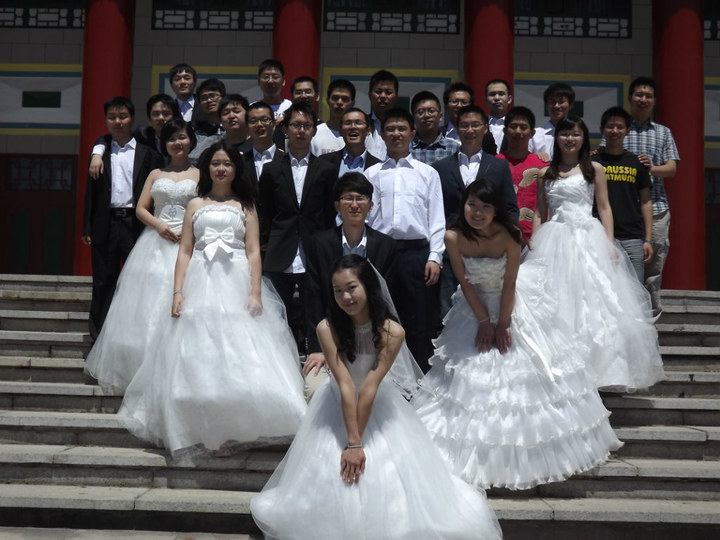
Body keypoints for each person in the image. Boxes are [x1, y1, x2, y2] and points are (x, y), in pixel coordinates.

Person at [250, 255, 502, 540]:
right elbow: (346, 384)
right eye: (338, 291)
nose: (345, 297)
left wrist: (356, 445)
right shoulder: (327, 328)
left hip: (378, 405)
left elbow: (369, 385)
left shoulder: (392, 332)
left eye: (351, 288)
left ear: (368, 287)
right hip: (336, 404)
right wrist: (352, 443)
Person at [412, 179, 622, 490]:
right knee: (468, 375)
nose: (477, 212)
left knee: (519, 370)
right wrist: (484, 321)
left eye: (485, 207)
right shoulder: (453, 236)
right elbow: (464, 282)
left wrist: (503, 323)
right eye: (472, 205)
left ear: (496, 210)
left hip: (511, 304)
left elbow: (510, 283)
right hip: (474, 305)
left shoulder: (509, 234)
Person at [117, 140, 306, 456]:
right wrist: (178, 292)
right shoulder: (195, 204)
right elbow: (185, 251)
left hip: (236, 278)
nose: (221, 169)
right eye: (216, 163)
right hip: (200, 278)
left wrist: (255, 292)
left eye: (227, 164)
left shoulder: (246, 205)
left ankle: (234, 428)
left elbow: (253, 251)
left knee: (239, 353)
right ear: (207, 168)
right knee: (199, 353)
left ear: (235, 169)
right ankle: (201, 429)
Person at [530, 115, 665, 391]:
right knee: (557, 302)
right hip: (554, 238)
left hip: (587, 237)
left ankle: (598, 371)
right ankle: (559, 369)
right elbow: (540, 211)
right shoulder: (546, 172)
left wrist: (609, 242)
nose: (570, 139)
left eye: (575, 134)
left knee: (595, 301)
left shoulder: (594, 169)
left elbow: (604, 208)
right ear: (557, 138)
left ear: (584, 138)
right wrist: (533, 240)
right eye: (565, 134)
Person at [85, 119, 199, 392]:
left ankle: (180, 366)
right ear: (164, 144)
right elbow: (140, 208)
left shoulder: (201, 173)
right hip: (155, 242)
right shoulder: (156, 173)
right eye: (171, 139)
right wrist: (159, 225)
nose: (177, 143)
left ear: (191, 140)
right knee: (149, 303)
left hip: (188, 243)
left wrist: (190, 231)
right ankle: (144, 366)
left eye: (182, 137)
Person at [364, 107, 445, 371]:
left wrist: (435, 256)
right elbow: (365, 218)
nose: (396, 134)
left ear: (412, 133)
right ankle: (383, 375)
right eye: (390, 129)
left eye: (402, 129)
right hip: (381, 253)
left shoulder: (427, 173)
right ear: (382, 134)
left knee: (418, 318)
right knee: (380, 316)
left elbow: (437, 218)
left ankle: (420, 376)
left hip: (416, 255)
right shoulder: (371, 174)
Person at [304, 173, 397, 399]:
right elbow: (314, 296)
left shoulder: (386, 246)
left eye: (360, 198)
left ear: (371, 206)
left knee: (381, 393)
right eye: (348, 198)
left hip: (373, 340)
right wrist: (319, 348)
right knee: (315, 390)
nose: (354, 205)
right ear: (337, 205)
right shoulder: (319, 243)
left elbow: (386, 300)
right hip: (331, 338)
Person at [82, 96, 164, 339]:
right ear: (106, 120)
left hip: (135, 224)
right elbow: (91, 193)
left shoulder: (149, 155)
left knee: (137, 281)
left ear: (132, 119)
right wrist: (87, 226)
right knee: (103, 282)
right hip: (105, 224)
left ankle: (132, 336)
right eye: (112, 117)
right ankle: (98, 339)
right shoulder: (100, 153)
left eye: (122, 117)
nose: (117, 122)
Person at [259, 103, 337, 354]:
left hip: (313, 249)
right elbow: (266, 210)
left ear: (314, 130)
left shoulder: (326, 169)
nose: (301, 131)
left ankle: (316, 358)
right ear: (285, 129)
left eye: (306, 126)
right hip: (280, 249)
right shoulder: (271, 169)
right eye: (295, 125)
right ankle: (277, 359)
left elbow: (329, 211)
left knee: (315, 311)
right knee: (276, 312)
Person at [434, 104, 517, 317]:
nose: (470, 130)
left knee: (490, 311)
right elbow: (435, 211)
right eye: (464, 125)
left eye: (475, 125)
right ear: (457, 128)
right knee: (449, 314)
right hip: (452, 252)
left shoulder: (499, 166)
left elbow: (510, 208)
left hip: (489, 256)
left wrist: (499, 241)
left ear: (485, 128)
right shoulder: (441, 168)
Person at [624, 76, 680, 315]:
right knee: (623, 264)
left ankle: (652, 316)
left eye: (648, 96)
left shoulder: (663, 132)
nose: (643, 99)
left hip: (656, 209)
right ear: (630, 98)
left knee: (653, 267)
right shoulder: (619, 128)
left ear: (655, 100)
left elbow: (672, 168)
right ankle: (628, 314)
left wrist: (649, 168)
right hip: (625, 210)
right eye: (639, 95)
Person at [593, 106, 653, 282]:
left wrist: (648, 239)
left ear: (627, 131)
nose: (614, 131)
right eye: (610, 126)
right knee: (602, 287)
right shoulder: (592, 162)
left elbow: (646, 202)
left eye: (620, 127)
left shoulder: (638, 162)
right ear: (602, 130)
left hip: (632, 237)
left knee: (635, 287)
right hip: (599, 235)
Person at [88, 94, 179, 179]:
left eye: (166, 114)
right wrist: (97, 154)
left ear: (174, 116)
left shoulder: (182, 138)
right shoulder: (143, 134)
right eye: (155, 114)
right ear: (149, 118)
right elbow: (109, 138)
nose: (160, 118)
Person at [496, 105, 548, 243]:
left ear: (532, 133)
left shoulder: (543, 166)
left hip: (534, 239)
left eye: (523, 127)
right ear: (505, 131)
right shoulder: (493, 164)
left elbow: (548, 205)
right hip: (499, 238)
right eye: (513, 126)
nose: (518, 131)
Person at [318, 108, 381, 180]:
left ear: (368, 131)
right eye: (348, 123)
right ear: (340, 131)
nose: (353, 127)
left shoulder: (378, 167)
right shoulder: (324, 161)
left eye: (358, 123)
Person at [442, 81, 496, 154]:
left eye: (464, 102)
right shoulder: (438, 134)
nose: (459, 105)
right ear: (446, 106)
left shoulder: (485, 136)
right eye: (455, 101)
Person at [243, 101, 285, 189]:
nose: (259, 124)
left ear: (274, 124)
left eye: (264, 120)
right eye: (253, 121)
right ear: (247, 127)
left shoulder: (287, 160)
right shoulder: (241, 162)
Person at [410, 90, 460, 164]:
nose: (427, 115)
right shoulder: (406, 147)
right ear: (413, 118)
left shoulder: (454, 148)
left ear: (440, 116)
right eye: (421, 112)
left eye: (431, 111)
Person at [528, 82, 575, 160]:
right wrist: (534, 158)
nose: (556, 106)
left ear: (571, 105)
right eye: (552, 102)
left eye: (561, 101)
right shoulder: (534, 135)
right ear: (546, 105)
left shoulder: (577, 135)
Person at [311, 79, 356, 156]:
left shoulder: (359, 135)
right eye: (335, 98)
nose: (339, 102)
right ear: (327, 101)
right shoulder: (314, 133)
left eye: (345, 99)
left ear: (352, 103)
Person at [189, 78, 227, 163]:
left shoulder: (232, 127)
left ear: (223, 98)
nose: (209, 100)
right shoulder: (195, 132)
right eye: (203, 98)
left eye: (213, 96)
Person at [365, 69, 399, 160]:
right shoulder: (362, 125)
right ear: (369, 95)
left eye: (388, 92)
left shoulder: (404, 128)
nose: (383, 96)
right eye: (378, 92)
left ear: (396, 97)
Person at [485, 78, 513, 150]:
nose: (497, 98)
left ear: (509, 99)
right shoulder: (479, 125)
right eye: (492, 94)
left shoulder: (516, 126)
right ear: (485, 100)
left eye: (501, 94)